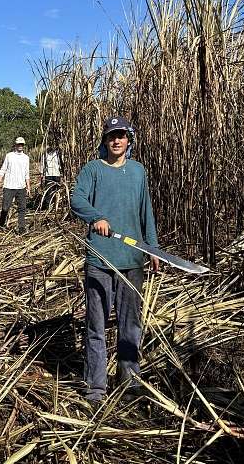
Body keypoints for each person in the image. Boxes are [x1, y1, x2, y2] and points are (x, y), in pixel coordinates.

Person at [71, 116, 159, 403]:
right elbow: (77, 199)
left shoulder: (138, 172)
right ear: (105, 140)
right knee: (96, 325)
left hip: (132, 259)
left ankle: (129, 381)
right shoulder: (92, 169)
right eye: (111, 136)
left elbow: (146, 211)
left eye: (121, 136)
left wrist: (153, 249)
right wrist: (96, 217)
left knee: (130, 324)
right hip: (100, 258)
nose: (116, 141)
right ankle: (96, 387)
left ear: (128, 140)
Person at [0, 136, 31, 233]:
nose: (20, 146)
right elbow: (3, 169)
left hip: (21, 187)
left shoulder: (26, 158)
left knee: (22, 208)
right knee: (5, 208)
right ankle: (1, 224)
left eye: (22, 144)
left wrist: (28, 187)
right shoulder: (9, 156)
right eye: (19, 144)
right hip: (9, 186)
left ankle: (21, 228)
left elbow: (27, 173)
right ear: (15, 145)